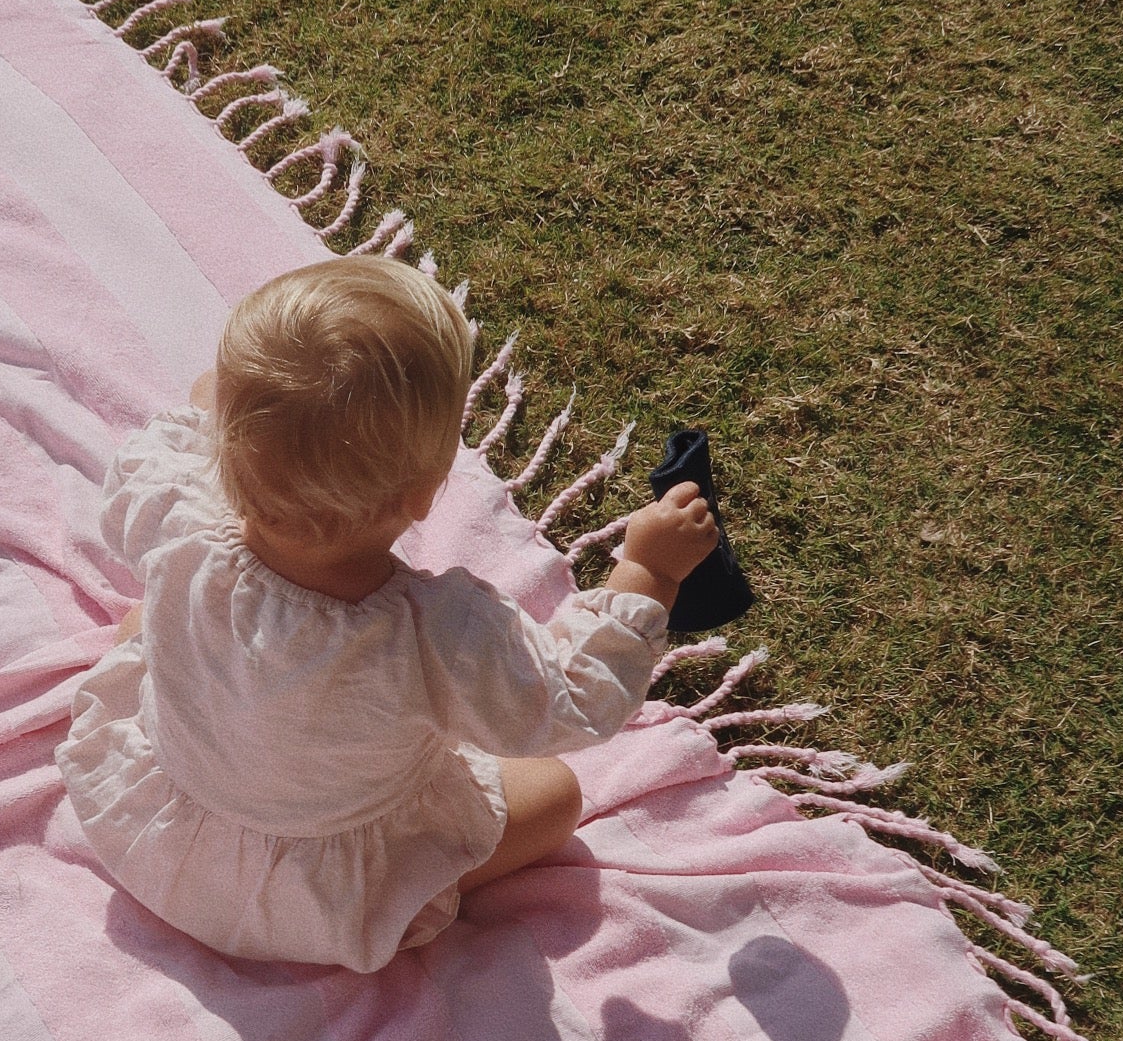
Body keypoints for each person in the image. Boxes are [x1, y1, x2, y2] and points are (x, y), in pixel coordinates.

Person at [57, 258, 720, 972]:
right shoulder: (437, 636)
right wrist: (647, 572)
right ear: (428, 493)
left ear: (228, 445)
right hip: (321, 897)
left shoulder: (177, 512)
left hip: (157, 834)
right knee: (555, 796)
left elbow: (162, 453)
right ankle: (406, 891)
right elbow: (576, 696)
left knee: (146, 623)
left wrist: (227, 410)